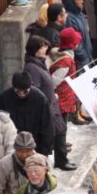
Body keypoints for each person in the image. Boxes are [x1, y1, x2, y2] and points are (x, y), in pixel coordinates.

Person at [23, 36, 74, 172]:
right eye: (42, 47)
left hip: (51, 104)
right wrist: (46, 100)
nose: (45, 49)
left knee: (60, 130)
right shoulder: (32, 68)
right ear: (34, 49)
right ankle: (48, 166)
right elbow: (34, 90)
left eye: (45, 46)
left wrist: (52, 93)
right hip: (45, 108)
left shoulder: (39, 63)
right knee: (49, 136)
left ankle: (61, 160)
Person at [0, 73, 54, 157]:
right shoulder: (4, 97)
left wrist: (45, 152)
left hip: (36, 147)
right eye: (18, 91)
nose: (22, 94)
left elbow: (47, 126)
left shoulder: (40, 98)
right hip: (12, 147)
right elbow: (0, 123)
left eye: (25, 91)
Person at [48, 27, 81, 128]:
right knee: (61, 123)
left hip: (63, 96)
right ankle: (60, 142)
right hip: (61, 98)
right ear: (72, 45)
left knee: (62, 122)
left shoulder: (61, 56)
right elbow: (54, 81)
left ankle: (62, 140)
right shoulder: (66, 62)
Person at [59, 0, 92, 69]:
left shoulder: (79, 14)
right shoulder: (70, 19)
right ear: (71, 1)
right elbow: (74, 42)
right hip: (81, 61)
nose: (82, 1)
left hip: (87, 57)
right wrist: (83, 56)